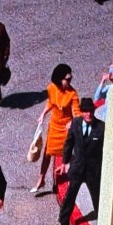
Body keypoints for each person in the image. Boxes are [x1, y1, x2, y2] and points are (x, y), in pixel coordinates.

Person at [57, 97, 105, 225]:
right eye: (85, 111)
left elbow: (106, 150)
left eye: (90, 111)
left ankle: (102, 220)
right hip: (77, 169)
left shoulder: (101, 128)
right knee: (70, 196)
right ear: (81, 112)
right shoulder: (76, 123)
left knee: (97, 196)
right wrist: (64, 162)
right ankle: (63, 223)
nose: (88, 114)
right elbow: (69, 143)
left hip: (93, 170)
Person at [32, 64, 80, 195]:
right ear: (59, 79)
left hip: (65, 128)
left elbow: (77, 112)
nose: (69, 82)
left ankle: (68, 178)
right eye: (67, 79)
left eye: (70, 79)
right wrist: (43, 114)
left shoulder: (73, 94)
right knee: (47, 153)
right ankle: (41, 179)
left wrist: (72, 122)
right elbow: (51, 102)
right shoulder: (51, 88)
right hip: (54, 125)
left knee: (67, 154)